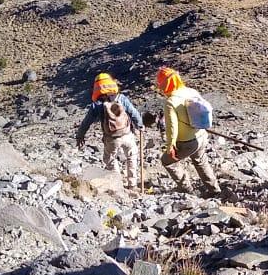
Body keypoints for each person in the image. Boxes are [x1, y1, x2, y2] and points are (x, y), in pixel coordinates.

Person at [155, 67, 221, 195]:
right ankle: (215, 190)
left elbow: (171, 127)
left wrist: (170, 146)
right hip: (201, 135)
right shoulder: (191, 91)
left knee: (167, 161)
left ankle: (186, 189)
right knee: (201, 161)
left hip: (187, 142)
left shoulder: (170, 102)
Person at [76, 72, 143, 189]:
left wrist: (80, 135)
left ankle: (118, 184)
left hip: (111, 138)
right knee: (132, 156)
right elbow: (134, 113)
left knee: (110, 159)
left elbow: (86, 122)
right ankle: (132, 184)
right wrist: (140, 125)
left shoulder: (97, 104)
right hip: (127, 134)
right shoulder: (121, 98)